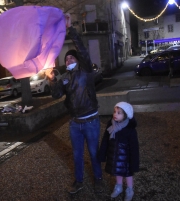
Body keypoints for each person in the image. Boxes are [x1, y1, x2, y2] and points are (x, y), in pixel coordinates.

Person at [45, 13, 103, 194]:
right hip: (75, 124)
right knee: (77, 155)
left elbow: (82, 50)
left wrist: (70, 29)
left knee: (94, 154)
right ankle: (79, 182)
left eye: (72, 57)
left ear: (78, 60)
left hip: (91, 121)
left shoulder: (85, 70)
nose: (69, 59)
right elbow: (56, 95)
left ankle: (99, 180)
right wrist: (52, 80)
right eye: (67, 58)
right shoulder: (64, 78)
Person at [98, 102, 139, 201]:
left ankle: (130, 189)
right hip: (114, 157)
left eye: (119, 113)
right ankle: (119, 187)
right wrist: (102, 154)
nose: (115, 114)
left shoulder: (130, 130)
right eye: (114, 112)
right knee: (117, 173)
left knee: (128, 175)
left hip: (126, 159)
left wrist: (134, 163)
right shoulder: (111, 125)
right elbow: (105, 140)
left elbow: (134, 147)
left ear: (125, 115)